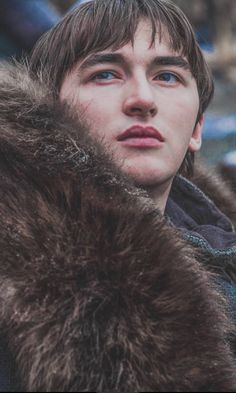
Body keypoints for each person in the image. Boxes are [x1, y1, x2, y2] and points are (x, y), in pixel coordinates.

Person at [0, 0, 235, 391]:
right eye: (105, 74)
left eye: (168, 77)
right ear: (50, 112)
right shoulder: (13, 273)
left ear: (197, 129)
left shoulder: (222, 256)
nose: (142, 99)